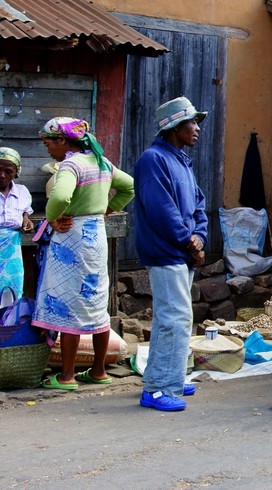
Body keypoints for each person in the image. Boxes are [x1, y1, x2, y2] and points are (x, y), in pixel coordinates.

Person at [32, 117, 134, 390]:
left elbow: (60, 197)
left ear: (62, 141)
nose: (48, 150)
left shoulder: (71, 165)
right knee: (96, 305)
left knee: (68, 304)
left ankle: (66, 377)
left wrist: (54, 218)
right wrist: (108, 209)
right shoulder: (101, 163)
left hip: (72, 238)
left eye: (48, 143)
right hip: (96, 237)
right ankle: (99, 371)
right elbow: (128, 186)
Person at [134, 97, 208, 411]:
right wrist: (188, 241)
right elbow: (162, 212)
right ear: (175, 127)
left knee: (177, 318)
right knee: (172, 320)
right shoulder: (153, 159)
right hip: (167, 252)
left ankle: (171, 379)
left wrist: (200, 237)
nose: (197, 129)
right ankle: (157, 389)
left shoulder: (180, 160)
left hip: (181, 252)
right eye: (192, 123)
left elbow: (199, 205)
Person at [0, 147, 34, 299]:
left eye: (8, 171)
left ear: (16, 172)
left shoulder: (22, 191)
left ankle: (7, 321)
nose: (2, 175)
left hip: (12, 248)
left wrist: (26, 219)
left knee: (10, 287)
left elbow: (25, 210)